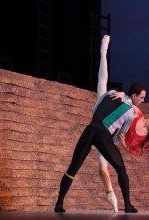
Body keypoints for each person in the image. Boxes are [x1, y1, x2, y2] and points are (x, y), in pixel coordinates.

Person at [54, 35, 138, 213]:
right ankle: (127, 205)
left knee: (73, 168)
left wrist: (103, 52)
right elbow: (119, 132)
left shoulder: (109, 95)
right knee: (120, 169)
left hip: (91, 128)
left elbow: (103, 83)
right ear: (134, 96)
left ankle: (59, 204)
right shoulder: (129, 109)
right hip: (103, 134)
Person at [95, 36, 149, 213]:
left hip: (111, 137)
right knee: (103, 87)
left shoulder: (145, 135)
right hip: (107, 118)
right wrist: (122, 95)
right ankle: (103, 52)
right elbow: (130, 104)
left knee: (102, 168)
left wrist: (126, 145)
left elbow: (133, 149)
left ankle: (111, 195)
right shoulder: (139, 112)